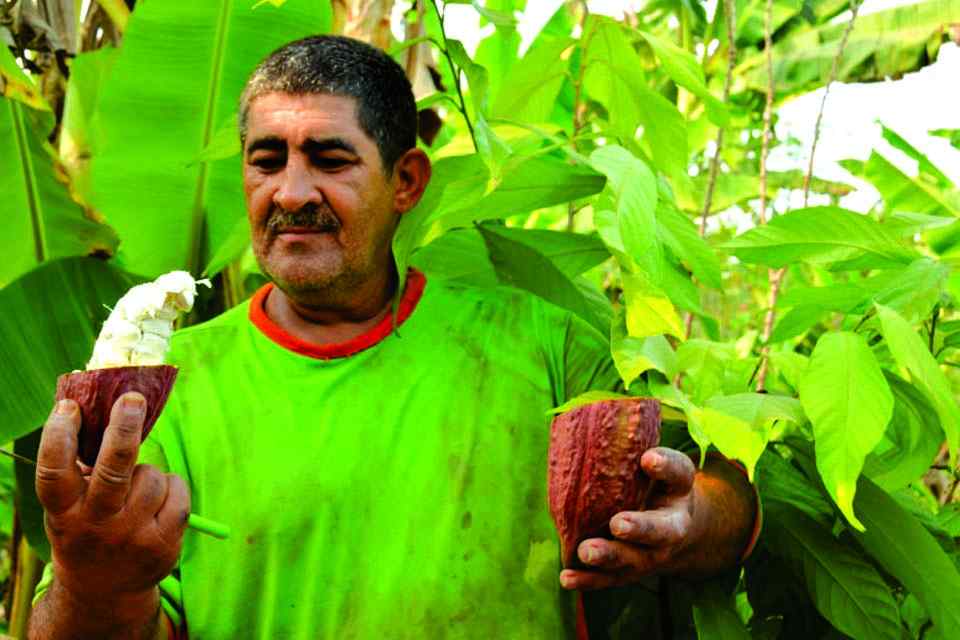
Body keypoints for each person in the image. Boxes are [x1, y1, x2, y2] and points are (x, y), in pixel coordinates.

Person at [28, 35, 758, 639]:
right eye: (266, 159)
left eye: (331, 159)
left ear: (406, 181)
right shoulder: (160, 388)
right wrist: (96, 583)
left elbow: (729, 504)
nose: (290, 192)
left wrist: (689, 521)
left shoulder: (542, 343)